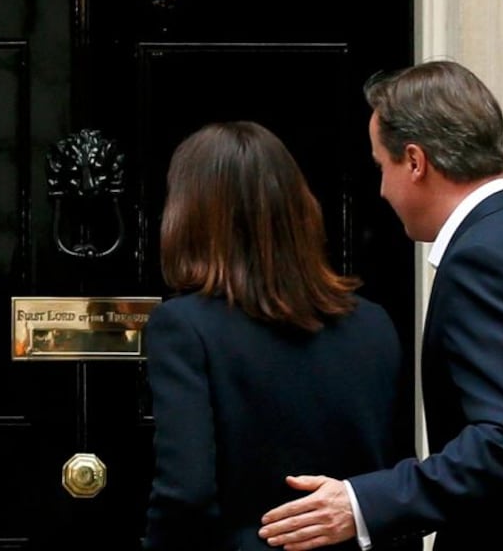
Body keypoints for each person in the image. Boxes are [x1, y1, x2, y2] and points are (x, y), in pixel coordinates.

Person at [258, 60, 503, 551]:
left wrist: (360, 503)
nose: (381, 189)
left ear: (416, 162)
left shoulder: (484, 259)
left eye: (383, 166)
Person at [142, 121, 420, 551]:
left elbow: (187, 492)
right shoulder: (374, 323)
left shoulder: (182, 326)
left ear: (189, 214)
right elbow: (396, 479)